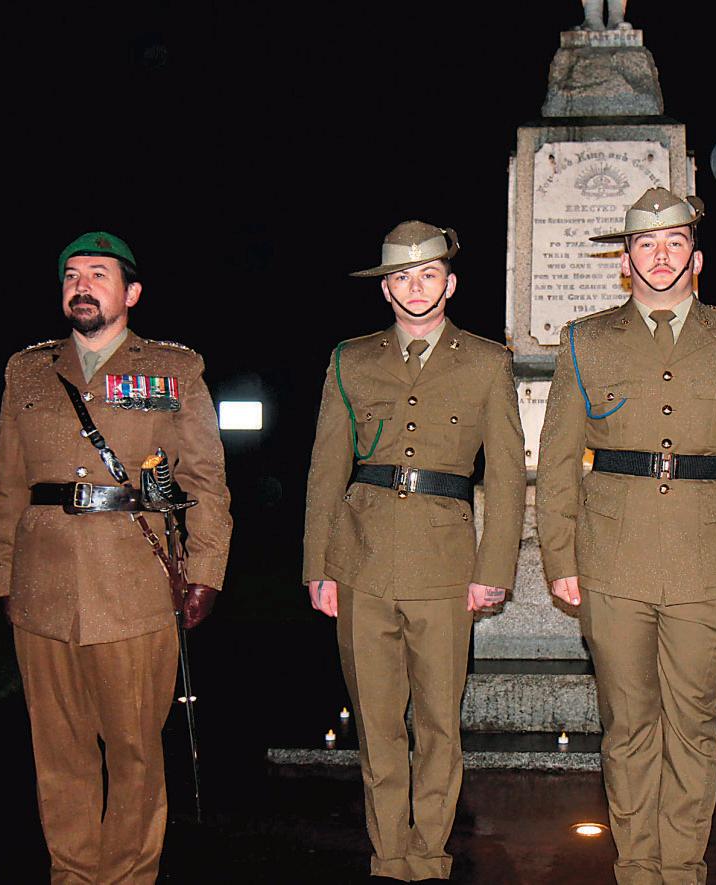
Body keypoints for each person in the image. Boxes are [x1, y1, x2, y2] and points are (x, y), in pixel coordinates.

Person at [535, 188, 716, 883]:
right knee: (627, 724)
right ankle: (637, 867)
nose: (660, 255)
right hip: (611, 559)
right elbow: (557, 461)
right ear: (626, 261)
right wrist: (560, 557)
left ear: (696, 258)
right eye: (645, 244)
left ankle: (682, 868)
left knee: (695, 724)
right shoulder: (585, 340)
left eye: (675, 242)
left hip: (710, 559)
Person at [0, 231, 232, 883]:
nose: (82, 285)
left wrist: (205, 570)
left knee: (133, 751)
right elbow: (7, 484)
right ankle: (71, 873)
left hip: (133, 585)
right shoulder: (27, 370)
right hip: (42, 585)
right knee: (58, 753)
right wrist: (3, 574)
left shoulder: (173, 369)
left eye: (99, 273)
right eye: (72, 274)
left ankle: (127, 875)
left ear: (132, 292)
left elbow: (202, 480)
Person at [302, 220, 525, 881]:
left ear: (450, 284)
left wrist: (493, 568)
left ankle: (429, 856)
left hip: (445, 563)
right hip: (361, 558)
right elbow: (325, 468)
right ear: (386, 290)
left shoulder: (486, 361)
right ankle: (389, 856)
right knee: (377, 725)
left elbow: (506, 474)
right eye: (402, 277)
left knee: (438, 725)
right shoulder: (350, 359)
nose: (416, 287)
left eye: (429, 274)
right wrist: (318, 567)